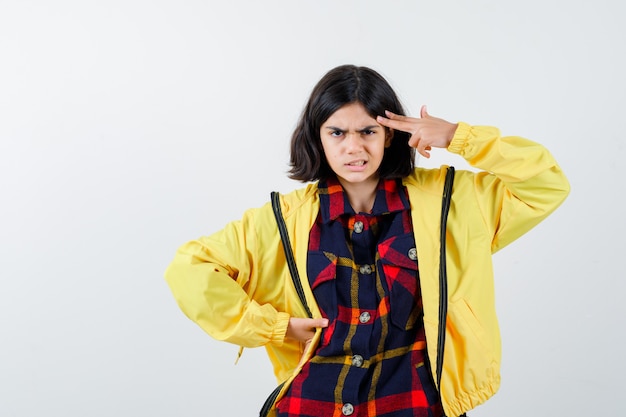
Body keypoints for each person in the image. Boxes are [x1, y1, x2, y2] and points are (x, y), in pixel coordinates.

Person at [164, 65, 570, 417]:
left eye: (368, 131)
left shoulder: (452, 203)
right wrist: (274, 328)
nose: (353, 147)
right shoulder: (281, 222)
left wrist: (459, 137)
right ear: (317, 137)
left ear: (390, 134)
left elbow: (544, 184)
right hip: (312, 403)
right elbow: (189, 269)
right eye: (337, 132)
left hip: (416, 403)